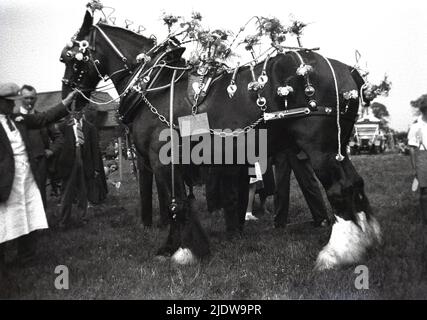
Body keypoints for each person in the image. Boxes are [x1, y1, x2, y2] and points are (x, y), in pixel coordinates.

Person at [0, 82, 75, 290]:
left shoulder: (18, 119)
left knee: (27, 213)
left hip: (26, 176)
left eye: (13, 103)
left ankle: (26, 257)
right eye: (9, 103)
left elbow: (43, 118)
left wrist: (65, 104)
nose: (13, 106)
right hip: (6, 180)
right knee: (4, 220)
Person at [18, 85, 64, 208]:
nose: (29, 101)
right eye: (26, 98)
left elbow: (58, 138)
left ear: (36, 99)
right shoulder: (15, 119)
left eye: (32, 98)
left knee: (39, 195)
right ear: (20, 98)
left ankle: (42, 226)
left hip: (40, 163)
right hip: (20, 164)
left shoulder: (43, 118)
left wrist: (51, 151)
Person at [56, 109, 104, 229]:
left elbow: (95, 149)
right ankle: (63, 220)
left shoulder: (90, 127)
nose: (77, 113)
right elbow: (58, 143)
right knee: (67, 192)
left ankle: (82, 218)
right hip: (70, 161)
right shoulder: (64, 126)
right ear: (71, 111)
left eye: (79, 110)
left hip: (85, 161)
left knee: (83, 191)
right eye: (74, 110)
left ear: (83, 111)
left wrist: (96, 168)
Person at [273, 146, 330, 228]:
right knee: (280, 188)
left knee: (308, 184)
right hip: (280, 151)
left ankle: (321, 218)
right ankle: (279, 222)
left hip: (298, 150)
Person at [408, 94, 427, 225]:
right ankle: (426, 218)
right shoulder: (416, 127)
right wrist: (415, 168)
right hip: (422, 156)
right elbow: (412, 149)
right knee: (425, 190)